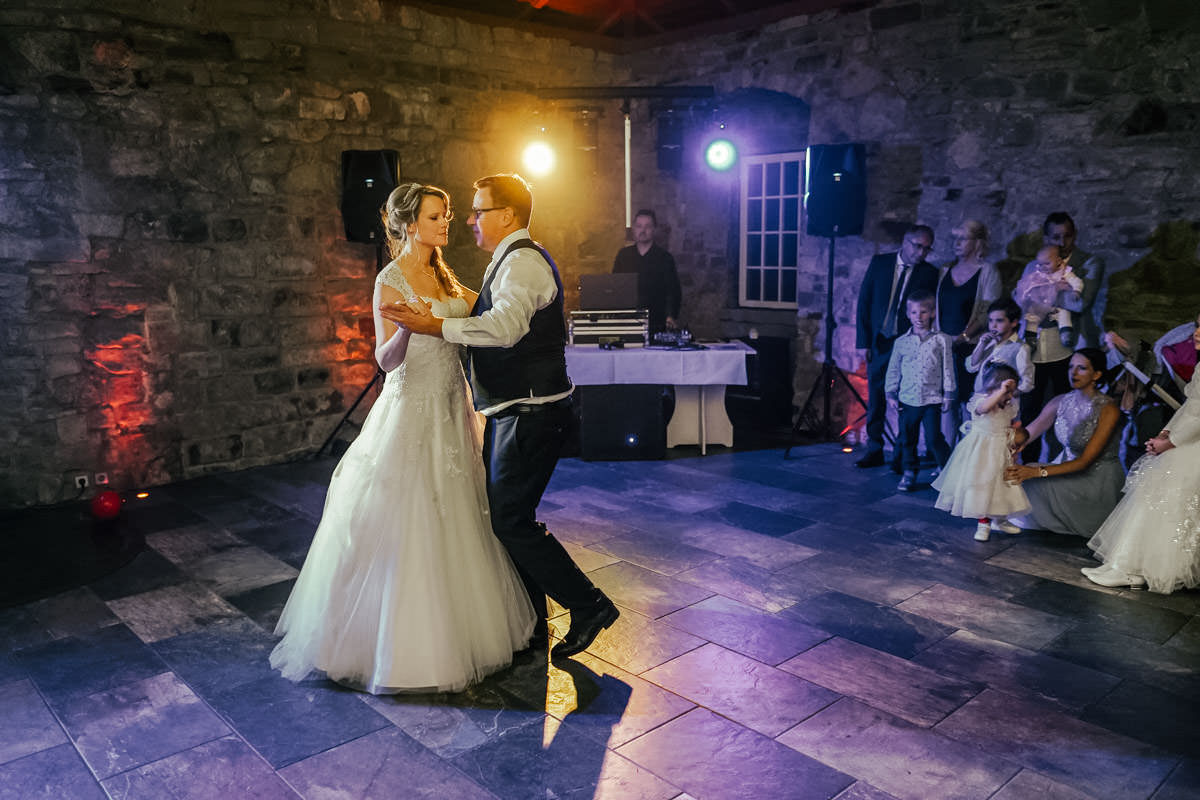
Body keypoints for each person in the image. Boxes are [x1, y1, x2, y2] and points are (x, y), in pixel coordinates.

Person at [270, 183, 536, 694]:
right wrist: (410, 329)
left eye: (449, 215)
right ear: (410, 224)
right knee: (409, 514)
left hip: (449, 405)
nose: (446, 224)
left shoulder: (445, 272)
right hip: (410, 406)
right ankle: (402, 647)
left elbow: (481, 317)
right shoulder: (389, 280)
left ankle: (467, 625)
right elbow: (384, 361)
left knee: (457, 509)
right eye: (437, 217)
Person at [385, 173, 619, 660]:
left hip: (532, 412)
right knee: (507, 518)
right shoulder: (506, 262)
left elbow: (505, 327)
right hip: (511, 411)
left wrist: (435, 324)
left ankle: (589, 604)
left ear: (507, 216)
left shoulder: (523, 263)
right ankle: (532, 624)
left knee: (511, 520)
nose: (468, 220)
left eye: (478, 210)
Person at [1081, 370, 1200, 592]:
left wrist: (1171, 441)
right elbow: (1190, 406)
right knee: (1150, 501)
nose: (1196, 333)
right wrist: (1166, 433)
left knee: (1169, 506)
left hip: (1193, 447)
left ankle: (1136, 570)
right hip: (1182, 441)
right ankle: (1124, 563)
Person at [1003, 348, 1125, 538]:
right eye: (1070, 367)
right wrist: (1001, 418)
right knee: (1018, 475)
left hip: (1097, 480)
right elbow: (1028, 434)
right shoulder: (1060, 401)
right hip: (1066, 467)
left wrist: (1035, 472)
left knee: (1032, 475)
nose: (1073, 373)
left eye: (1081, 368)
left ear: (1097, 374)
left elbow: (1085, 462)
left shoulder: (1108, 409)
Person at [854, 224, 940, 468]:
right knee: (876, 397)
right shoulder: (880, 263)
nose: (921, 253)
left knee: (906, 399)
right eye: (917, 246)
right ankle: (874, 448)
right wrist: (863, 341)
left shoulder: (929, 273)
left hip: (908, 344)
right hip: (880, 340)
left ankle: (902, 452)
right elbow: (864, 301)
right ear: (905, 241)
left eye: (926, 249)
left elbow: (929, 312)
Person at [932, 364, 1031, 542]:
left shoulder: (1009, 405)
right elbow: (984, 409)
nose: (1009, 396)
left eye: (1011, 392)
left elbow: (1012, 425)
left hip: (1001, 450)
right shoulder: (980, 401)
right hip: (982, 452)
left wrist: (1015, 445)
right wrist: (1001, 391)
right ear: (993, 386)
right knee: (981, 487)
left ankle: (1000, 519)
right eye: (1007, 392)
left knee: (1003, 487)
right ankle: (983, 523)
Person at [1014, 244, 1084, 460]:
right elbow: (1022, 299)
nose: (1043, 266)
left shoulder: (1067, 274)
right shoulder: (1033, 272)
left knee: (1063, 405)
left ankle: (1062, 458)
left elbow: (1078, 302)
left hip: (1059, 352)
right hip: (1034, 353)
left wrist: (1059, 292)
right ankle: (1029, 459)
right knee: (1030, 408)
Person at [936, 220, 1003, 442]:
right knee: (947, 401)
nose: (956, 243)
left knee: (968, 401)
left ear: (977, 243)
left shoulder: (987, 271)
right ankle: (946, 459)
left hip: (972, 347)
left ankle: (966, 455)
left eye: (962, 238)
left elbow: (987, 311)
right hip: (944, 347)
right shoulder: (945, 270)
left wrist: (963, 337)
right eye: (955, 238)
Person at [884, 290, 954, 491]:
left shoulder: (942, 340)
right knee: (908, 437)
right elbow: (894, 369)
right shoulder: (901, 342)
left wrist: (949, 393)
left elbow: (948, 367)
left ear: (932, 313)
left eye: (923, 312)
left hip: (932, 398)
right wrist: (891, 393)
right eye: (914, 312)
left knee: (934, 438)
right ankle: (909, 472)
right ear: (908, 314)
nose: (919, 317)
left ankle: (948, 470)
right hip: (908, 398)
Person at [1042, 211, 1106, 349]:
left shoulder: (1091, 263)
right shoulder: (1034, 266)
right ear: (1046, 239)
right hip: (1042, 344)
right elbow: (1021, 299)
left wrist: (1042, 295)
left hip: (1076, 344)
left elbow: (1080, 303)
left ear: (1075, 235)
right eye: (1056, 237)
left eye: (1067, 236)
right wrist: (1055, 290)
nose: (1062, 243)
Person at [612, 209, 681, 332]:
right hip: (627, 321)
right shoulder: (623, 256)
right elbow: (614, 287)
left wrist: (670, 316)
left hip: (657, 321)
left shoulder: (665, 258)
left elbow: (673, 291)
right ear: (633, 228)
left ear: (654, 229)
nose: (642, 231)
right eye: (639, 226)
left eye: (647, 226)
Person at [966, 298, 1034, 397]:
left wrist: (1004, 397)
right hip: (980, 397)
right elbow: (971, 366)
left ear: (1014, 322)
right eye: (990, 320)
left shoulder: (1020, 347)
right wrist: (982, 344)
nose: (993, 325)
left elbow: (1027, 383)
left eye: (999, 321)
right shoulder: (988, 342)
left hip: (1002, 403)